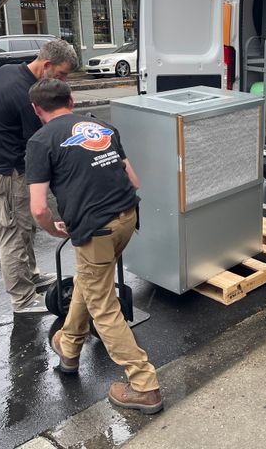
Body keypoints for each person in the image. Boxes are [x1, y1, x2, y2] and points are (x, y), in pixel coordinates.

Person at [25, 78, 163, 414]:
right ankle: (69, 348)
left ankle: (145, 386)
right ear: (71, 101)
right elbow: (133, 181)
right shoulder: (103, 127)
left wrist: (54, 231)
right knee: (91, 281)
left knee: (104, 307)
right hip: (128, 218)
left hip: (95, 231)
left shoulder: (41, 141)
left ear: (36, 109)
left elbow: (39, 209)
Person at [0, 39, 78, 314]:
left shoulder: (8, 71)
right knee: (13, 233)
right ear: (46, 65)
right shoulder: (28, 99)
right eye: (61, 74)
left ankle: (31, 275)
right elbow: (42, 149)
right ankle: (22, 299)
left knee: (25, 224)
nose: (64, 81)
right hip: (5, 171)